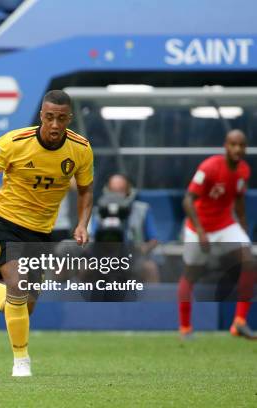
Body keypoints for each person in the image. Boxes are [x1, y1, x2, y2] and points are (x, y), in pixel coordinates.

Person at [0, 90, 94, 377]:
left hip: (41, 232)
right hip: (5, 223)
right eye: (49, 117)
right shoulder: (13, 143)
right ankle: (21, 363)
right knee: (17, 287)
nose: (54, 125)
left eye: (61, 119)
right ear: (41, 115)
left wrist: (82, 224)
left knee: (23, 306)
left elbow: (86, 190)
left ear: (69, 119)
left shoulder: (81, 149)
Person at [178, 129, 255, 340]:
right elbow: (188, 200)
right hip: (198, 227)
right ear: (225, 146)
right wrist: (201, 232)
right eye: (233, 144)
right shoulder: (209, 167)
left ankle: (239, 322)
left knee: (249, 262)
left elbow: (238, 200)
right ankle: (185, 328)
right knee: (191, 274)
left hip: (224, 224)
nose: (237, 149)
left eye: (241, 145)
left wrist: (243, 226)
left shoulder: (244, 171)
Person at [91, 174, 160, 282]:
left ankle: (152, 298)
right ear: (107, 191)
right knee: (85, 268)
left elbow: (154, 239)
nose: (117, 195)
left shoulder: (142, 210)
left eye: (121, 191)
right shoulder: (98, 212)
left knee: (150, 268)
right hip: (103, 259)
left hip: (133, 258)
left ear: (129, 191)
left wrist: (143, 249)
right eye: (113, 191)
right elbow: (92, 238)